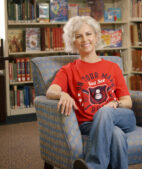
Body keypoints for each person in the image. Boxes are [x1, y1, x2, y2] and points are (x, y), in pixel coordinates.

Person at [46, 16, 136, 169]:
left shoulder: (112, 67)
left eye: (88, 34)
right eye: (78, 36)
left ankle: (93, 166)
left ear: (96, 37)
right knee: (117, 136)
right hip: (89, 124)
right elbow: (51, 91)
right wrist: (63, 94)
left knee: (105, 112)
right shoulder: (69, 70)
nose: (84, 39)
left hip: (120, 116)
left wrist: (114, 104)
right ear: (73, 42)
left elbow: (127, 102)